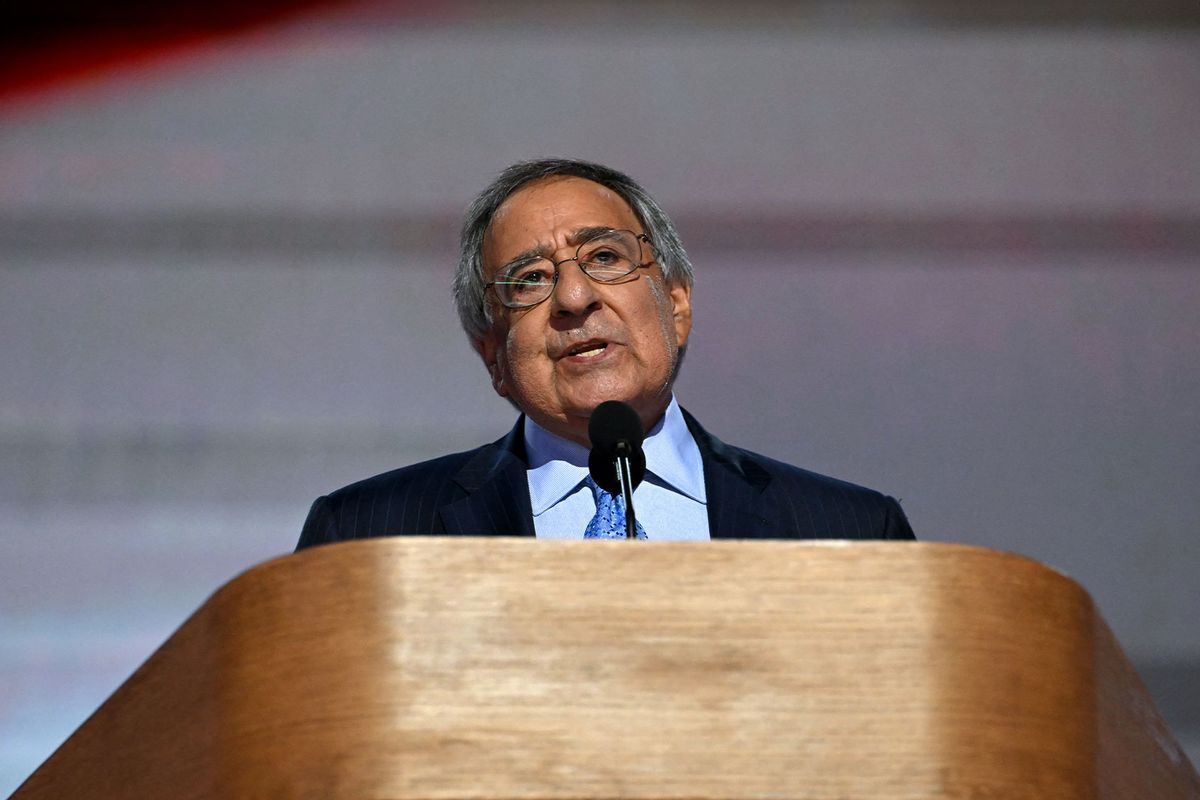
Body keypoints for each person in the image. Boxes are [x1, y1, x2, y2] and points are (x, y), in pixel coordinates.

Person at [296, 158, 914, 547]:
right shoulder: (365, 535)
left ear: (675, 304)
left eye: (604, 258)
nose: (573, 296)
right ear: (494, 356)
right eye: (530, 279)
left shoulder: (850, 531)